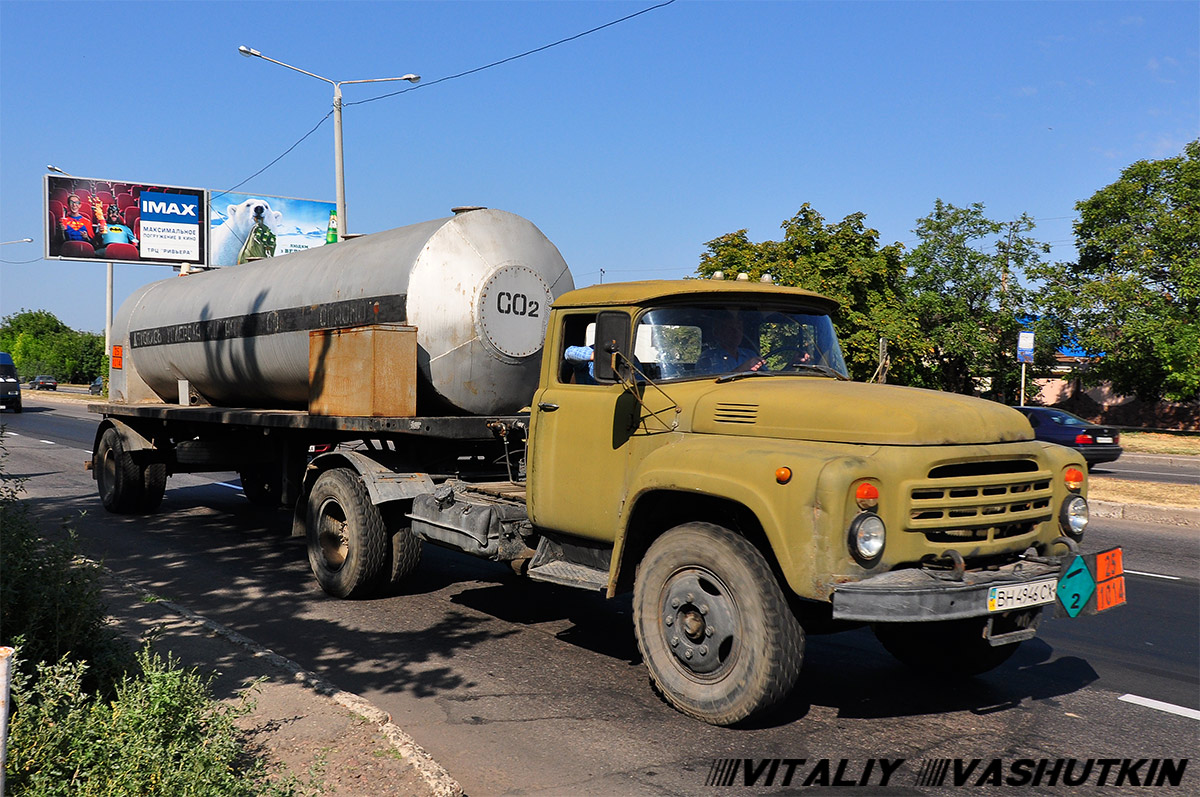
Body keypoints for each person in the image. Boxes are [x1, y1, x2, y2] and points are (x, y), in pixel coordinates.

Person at [695, 312, 764, 374]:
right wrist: (743, 368)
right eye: (730, 329)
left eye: (739, 328)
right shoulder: (709, 357)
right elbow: (709, 384)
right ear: (718, 332)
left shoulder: (750, 354)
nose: (736, 332)